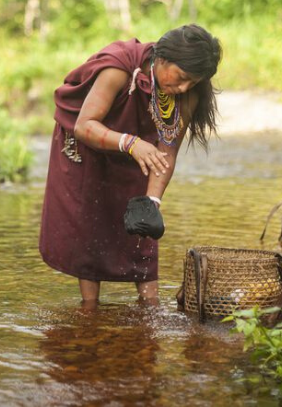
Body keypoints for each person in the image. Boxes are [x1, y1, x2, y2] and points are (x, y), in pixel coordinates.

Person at [39, 24, 221, 305]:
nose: (184, 87)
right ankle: (90, 311)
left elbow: (167, 152)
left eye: (193, 83)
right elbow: (84, 125)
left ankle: (150, 307)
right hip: (86, 145)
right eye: (182, 77)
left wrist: (153, 202)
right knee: (91, 220)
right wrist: (131, 143)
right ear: (162, 58)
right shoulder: (119, 69)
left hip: (135, 145)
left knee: (142, 221)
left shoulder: (187, 94)